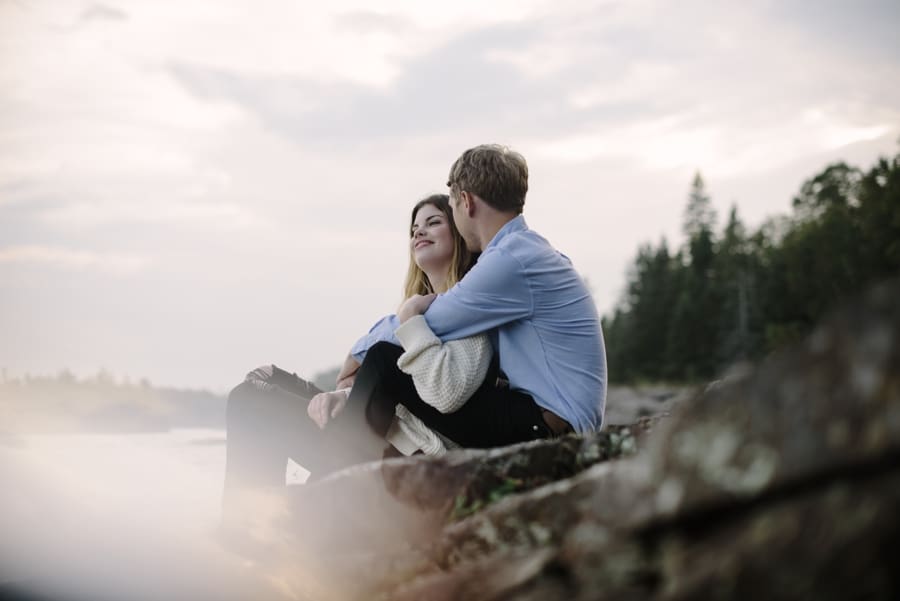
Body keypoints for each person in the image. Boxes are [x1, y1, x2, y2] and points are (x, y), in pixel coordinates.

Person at [329, 144, 607, 452]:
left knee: (383, 361)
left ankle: (336, 479)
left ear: (466, 201)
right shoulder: (527, 251)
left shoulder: (510, 259)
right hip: (545, 418)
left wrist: (360, 352)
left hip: (547, 426)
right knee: (389, 369)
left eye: (450, 205)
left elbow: (437, 319)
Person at [222, 194, 491, 496]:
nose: (419, 232)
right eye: (414, 227)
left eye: (433, 222)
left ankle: (253, 524)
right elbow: (379, 372)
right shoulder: (408, 313)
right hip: (376, 429)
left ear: (457, 232)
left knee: (251, 401)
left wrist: (411, 321)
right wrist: (347, 395)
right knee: (261, 379)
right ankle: (265, 516)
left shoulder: (468, 312)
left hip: (405, 450)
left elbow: (447, 392)